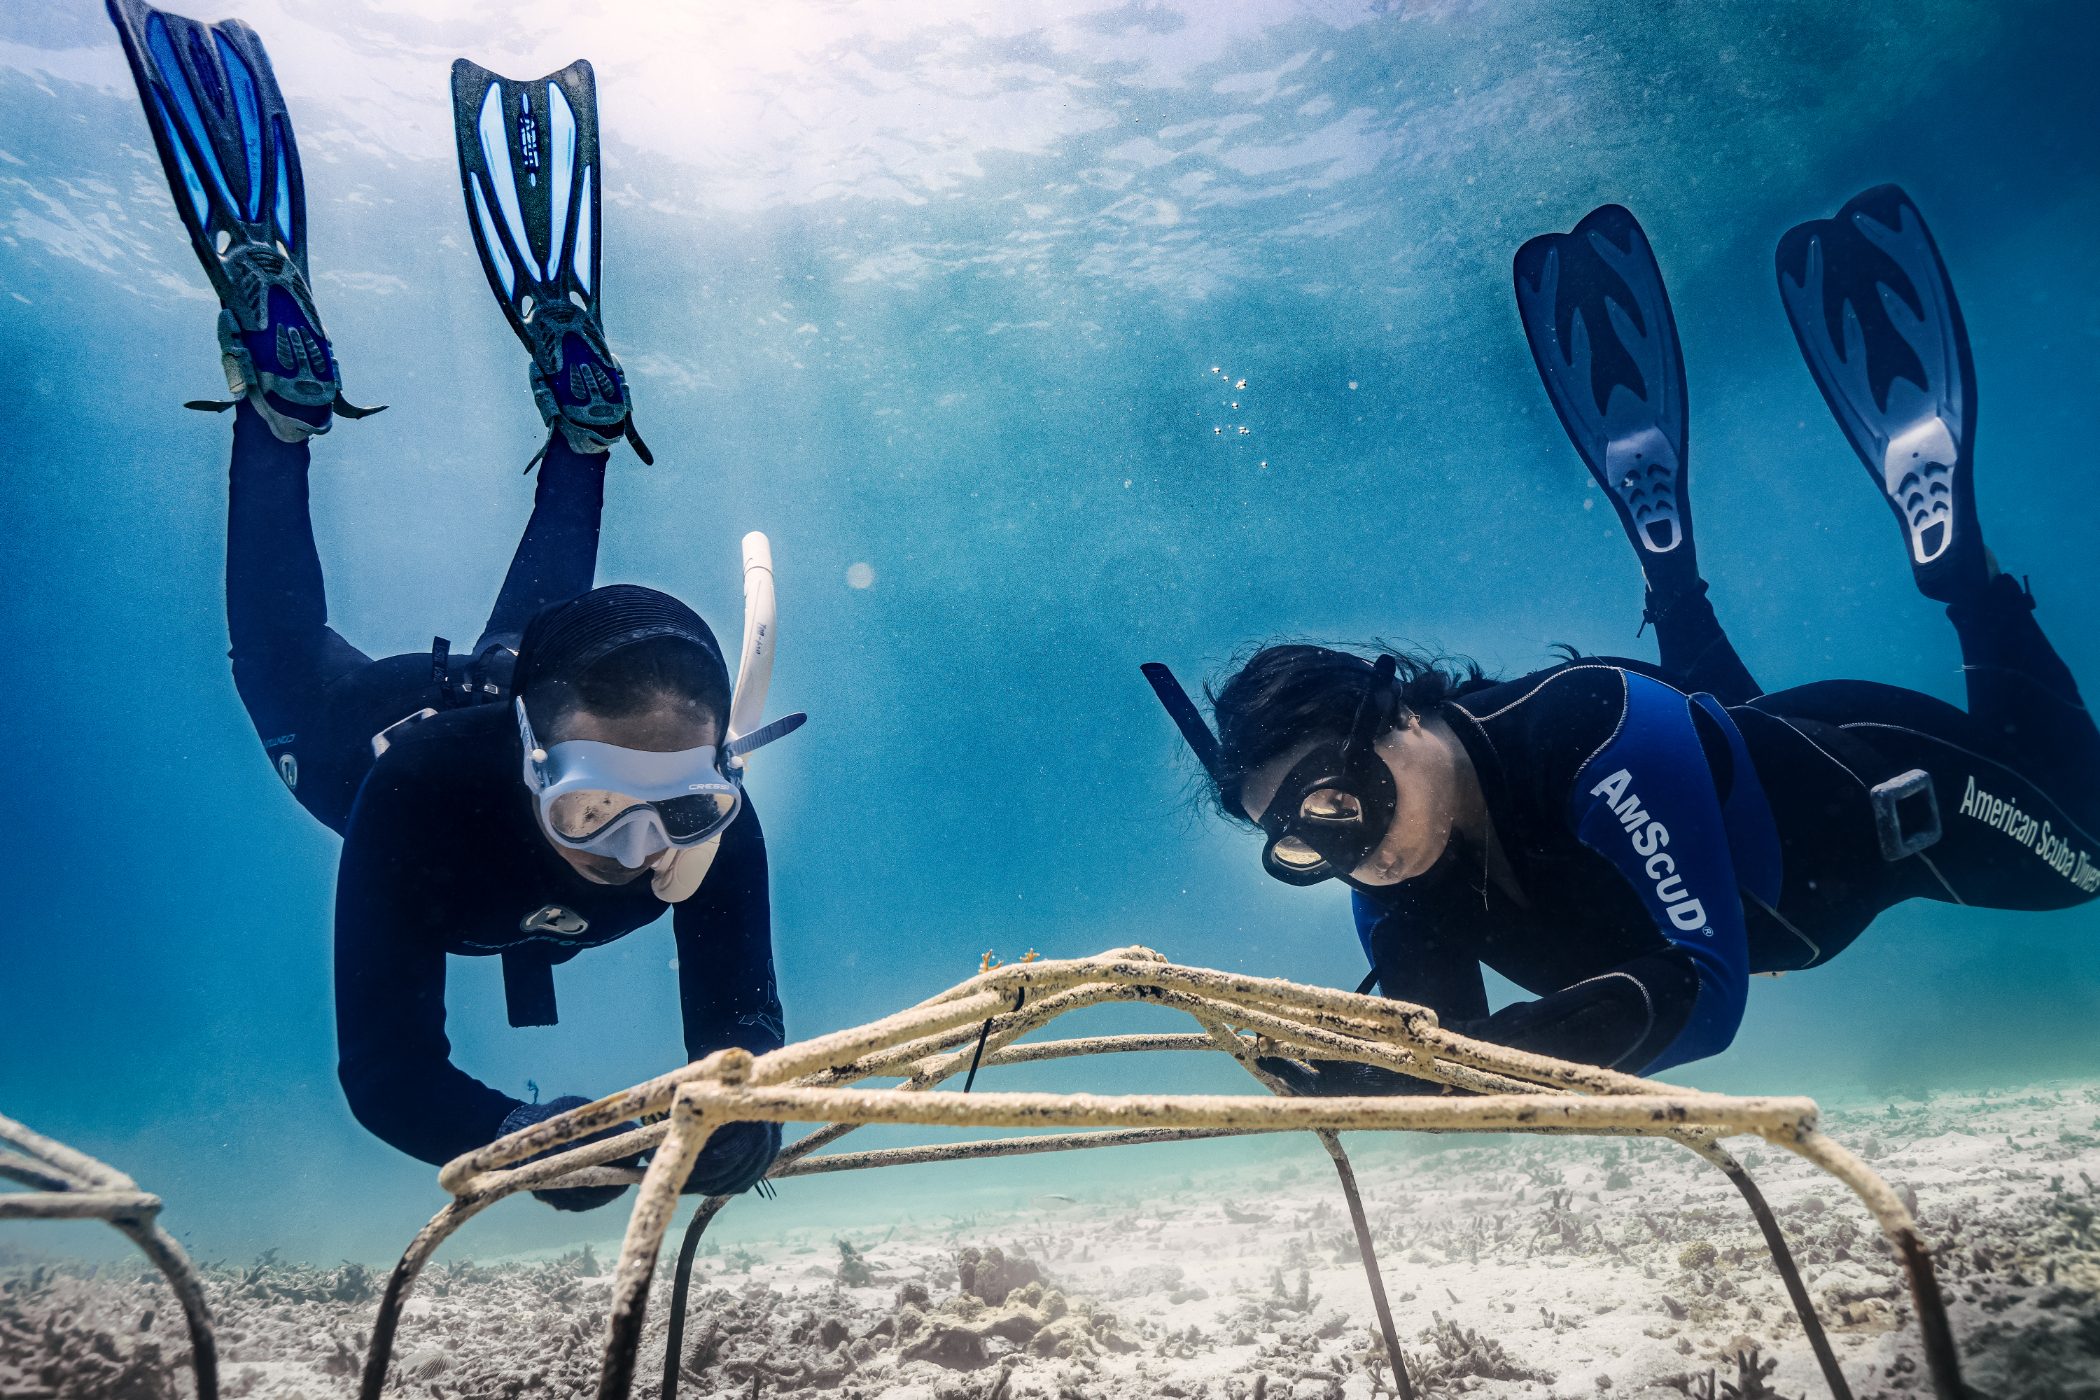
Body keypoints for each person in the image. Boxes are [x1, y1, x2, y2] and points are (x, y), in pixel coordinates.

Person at [1142, 187, 2098, 1088]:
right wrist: (1361, 1076)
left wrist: (1473, 1076)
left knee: (2089, 859)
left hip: (1881, 798)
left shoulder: (1592, 732)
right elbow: (1446, 1048)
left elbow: (1705, 995)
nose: (1351, 852)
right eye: (1303, 849)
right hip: (1727, 753)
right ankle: (1674, 589)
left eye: (1336, 805)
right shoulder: (1391, 872)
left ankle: (1967, 584)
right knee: (1717, 731)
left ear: (1395, 717)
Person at [108, 2, 800, 1205]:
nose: (641, 852)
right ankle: (287, 417)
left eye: (680, 808)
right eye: (595, 808)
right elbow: (387, 1073)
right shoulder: (416, 795)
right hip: (367, 727)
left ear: (720, 769)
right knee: (275, 663)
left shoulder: (712, 823)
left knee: (544, 647)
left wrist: (730, 1136)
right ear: (532, 762)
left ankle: (490, 423)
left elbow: (745, 1069)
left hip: (519, 679)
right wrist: (534, 1138)